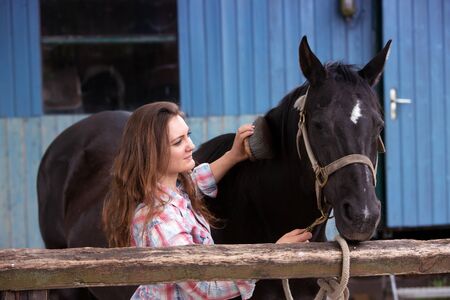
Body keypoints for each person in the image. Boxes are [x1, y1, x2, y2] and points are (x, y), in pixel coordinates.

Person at [102, 101, 312, 299]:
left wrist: (233, 156)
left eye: (188, 135)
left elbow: (197, 181)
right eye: (178, 142)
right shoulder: (160, 222)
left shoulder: (173, 190)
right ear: (152, 154)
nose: (191, 145)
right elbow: (206, 288)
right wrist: (272, 257)